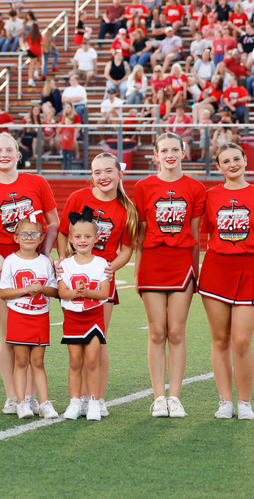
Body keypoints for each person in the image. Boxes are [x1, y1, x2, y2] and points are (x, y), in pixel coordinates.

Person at [0, 132, 59, 414]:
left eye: (9, 149)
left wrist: (44, 254)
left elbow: (53, 222)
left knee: (33, 334)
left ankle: (30, 396)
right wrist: (1, 259)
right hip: (4, 270)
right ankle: (13, 395)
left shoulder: (37, 182)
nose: (4, 154)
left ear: (18, 154)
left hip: (35, 269)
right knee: (9, 334)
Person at [199, 143, 254, 420]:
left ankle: (244, 402)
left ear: (246, 161)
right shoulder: (210, 196)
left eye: (237, 158)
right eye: (226, 161)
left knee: (242, 340)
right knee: (220, 339)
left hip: (249, 271)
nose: (232, 164)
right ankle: (225, 401)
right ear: (219, 167)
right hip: (215, 272)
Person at [57, 153, 137, 420]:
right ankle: (76, 399)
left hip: (99, 281)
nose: (103, 177)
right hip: (74, 279)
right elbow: (61, 233)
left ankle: (97, 399)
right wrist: (63, 263)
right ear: (91, 175)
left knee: (97, 342)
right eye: (97, 172)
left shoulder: (126, 208)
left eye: (108, 171)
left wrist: (109, 269)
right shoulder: (78, 198)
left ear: (119, 174)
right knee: (76, 345)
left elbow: (127, 249)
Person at [133, 134, 206, 418]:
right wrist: (138, 273)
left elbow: (197, 235)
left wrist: (196, 273)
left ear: (184, 153)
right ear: (156, 155)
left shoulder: (196, 188)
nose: (170, 154)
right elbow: (139, 235)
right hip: (152, 263)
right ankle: (158, 397)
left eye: (175, 149)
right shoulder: (143, 186)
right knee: (156, 332)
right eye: (164, 150)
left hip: (182, 265)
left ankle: (175, 396)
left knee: (176, 332)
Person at [0, 215, 60, 419]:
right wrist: (25, 290)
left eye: (34, 234)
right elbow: (4, 293)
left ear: (41, 238)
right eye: (24, 234)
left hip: (40, 316)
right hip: (19, 316)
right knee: (21, 362)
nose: (29, 237)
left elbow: (55, 290)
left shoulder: (44, 262)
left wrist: (41, 289)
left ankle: (44, 403)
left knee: (38, 362)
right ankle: (22, 402)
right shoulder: (10, 261)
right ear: (16, 238)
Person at [58, 207, 112, 421]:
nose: (83, 240)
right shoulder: (65, 265)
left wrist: (86, 292)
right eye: (78, 236)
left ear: (96, 238)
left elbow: (104, 293)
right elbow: (62, 292)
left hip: (94, 319)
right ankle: (74, 401)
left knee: (92, 361)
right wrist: (75, 293)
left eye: (88, 236)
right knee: (75, 362)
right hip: (73, 319)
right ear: (70, 239)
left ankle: (93, 402)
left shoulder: (102, 264)